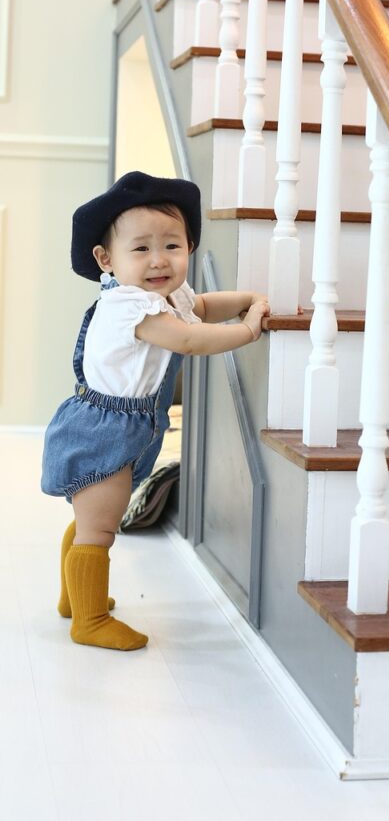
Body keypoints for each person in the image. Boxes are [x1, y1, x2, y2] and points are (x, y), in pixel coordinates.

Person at [41, 170, 270, 652]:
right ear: (106, 259)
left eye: (172, 245)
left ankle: (74, 598)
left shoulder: (167, 297)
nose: (159, 260)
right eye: (141, 249)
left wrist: (245, 300)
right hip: (103, 426)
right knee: (100, 525)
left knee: (93, 517)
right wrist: (247, 331)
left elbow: (201, 308)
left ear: (189, 246)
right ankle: (90, 619)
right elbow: (189, 337)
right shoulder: (129, 306)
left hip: (130, 424)